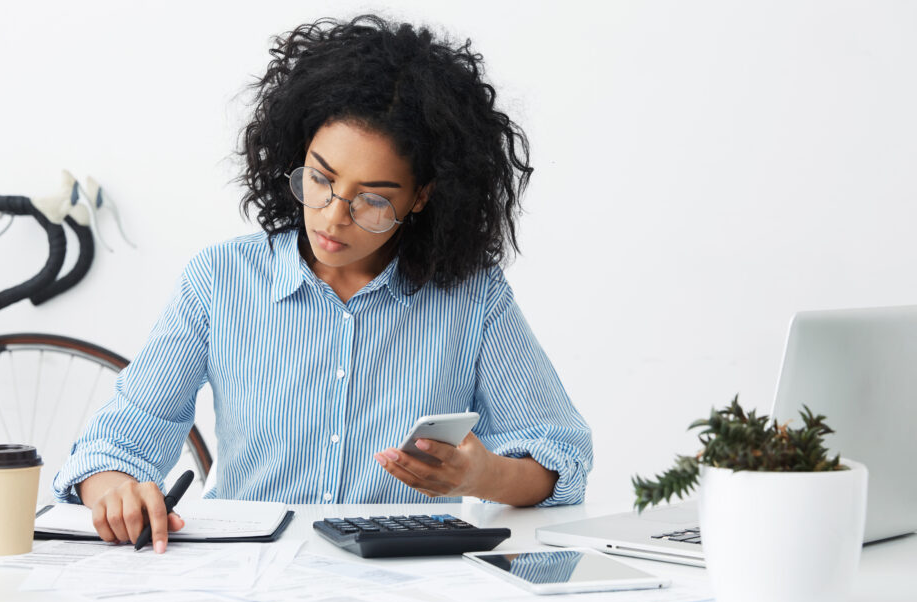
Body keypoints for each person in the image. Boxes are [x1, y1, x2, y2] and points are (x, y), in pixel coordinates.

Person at [53, 14, 593, 554]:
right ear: (297, 154)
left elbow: (560, 457)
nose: (334, 218)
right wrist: (115, 490)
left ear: (423, 196)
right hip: (249, 571)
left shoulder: (473, 297)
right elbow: (118, 440)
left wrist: (483, 477)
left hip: (406, 579)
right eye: (320, 179)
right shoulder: (220, 281)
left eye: (374, 200)